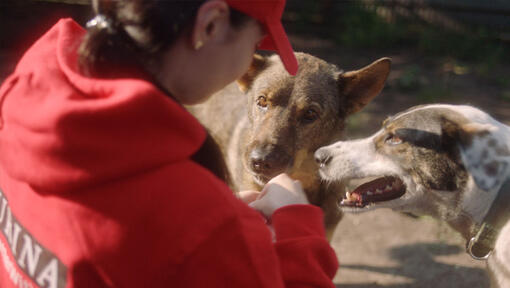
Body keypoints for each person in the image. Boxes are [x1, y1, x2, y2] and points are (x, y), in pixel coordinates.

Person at [0, 0, 338, 287]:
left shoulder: (19, 100)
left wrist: (218, 212)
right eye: (255, 44)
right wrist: (297, 226)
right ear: (212, 25)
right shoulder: (201, 220)